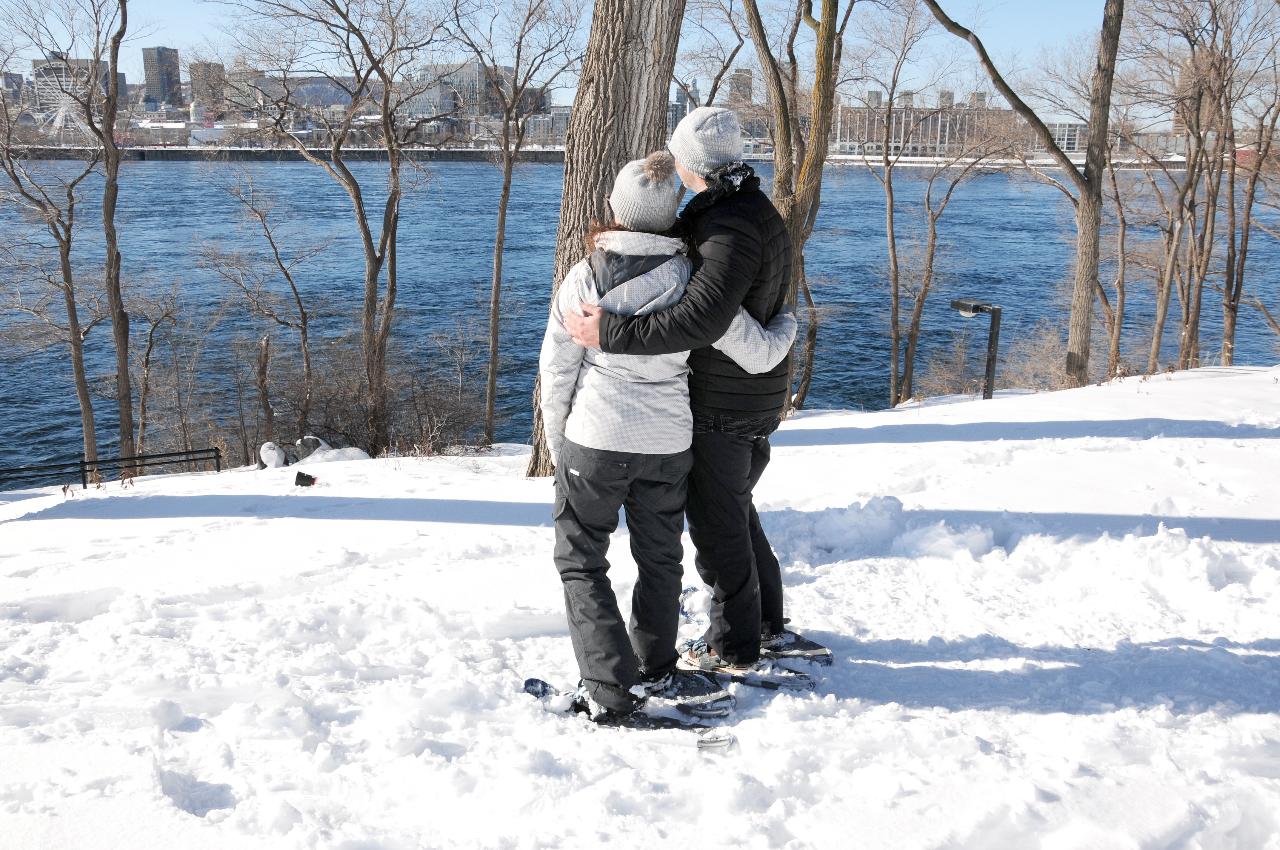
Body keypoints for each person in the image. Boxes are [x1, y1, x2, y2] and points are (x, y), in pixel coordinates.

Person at [540, 150, 796, 720]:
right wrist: (787, 325)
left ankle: (608, 687)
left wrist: (559, 444)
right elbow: (755, 352)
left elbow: (557, 372)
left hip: (597, 438)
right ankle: (655, 664)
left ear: (615, 209)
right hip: (667, 444)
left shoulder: (584, 280)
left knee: (582, 561)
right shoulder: (690, 279)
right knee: (660, 558)